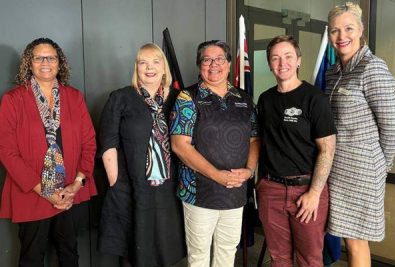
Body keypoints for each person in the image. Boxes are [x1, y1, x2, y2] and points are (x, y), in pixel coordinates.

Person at [0, 37, 97, 266]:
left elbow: (89, 142)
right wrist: (44, 190)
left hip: (69, 192)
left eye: (51, 57)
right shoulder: (13, 100)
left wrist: (77, 183)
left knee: (69, 254)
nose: (46, 62)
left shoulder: (73, 97)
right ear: (29, 63)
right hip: (32, 193)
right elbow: (6, 151)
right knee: (32, 257)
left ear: (59, 63)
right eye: (39, 57)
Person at [170, 40, 260, 267]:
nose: (213, 65)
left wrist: (249, 171)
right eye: (207, 59)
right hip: (199, 191)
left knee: (227, 251)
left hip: (235, 191)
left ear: (229, 64)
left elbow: (254, 139)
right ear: (199, 65)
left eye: (219, 59)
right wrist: (217, 175)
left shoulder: (244, 99)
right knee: (199, 254)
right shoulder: (187, 98)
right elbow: (180, 145)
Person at [97, 43, 186, 267]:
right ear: (136, 67)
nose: (149, 67)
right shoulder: (121, 97)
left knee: (166, 248)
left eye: (155, 62)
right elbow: (108, 143)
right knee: (134, 249)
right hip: (132, 187)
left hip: (169, 188)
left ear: (164, 68)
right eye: (143, 62)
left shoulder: (179, 98)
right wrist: (115, 181)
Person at [325, 3, 395, 266]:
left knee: (356, 241)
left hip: (362, 171)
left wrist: (381, 166)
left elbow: (392, 128)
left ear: (360, 30)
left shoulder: (373, 68)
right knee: (344, 237)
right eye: (334, 30)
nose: (341, 36)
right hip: (335, 169)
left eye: (348, 28)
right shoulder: (333, 72)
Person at [256, 35, 337, 267]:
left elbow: (327, 150)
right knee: (279, 259)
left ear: (299, 60)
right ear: (270, 64)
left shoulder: (315, 99)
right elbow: (260, 142)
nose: (283, 63)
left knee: (310, 260)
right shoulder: (265, 100)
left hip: (307, 193)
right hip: (271, 190)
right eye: (276, 58)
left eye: (288, 56)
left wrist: (314, 194)